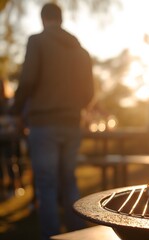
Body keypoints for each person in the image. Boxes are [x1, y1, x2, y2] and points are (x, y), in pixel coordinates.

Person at [10, 3, 94, 240]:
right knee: (69, 180)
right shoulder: (81, 51)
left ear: (43, 18)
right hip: (72, 123)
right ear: (61, 19)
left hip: (44, 122)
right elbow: (89, 93)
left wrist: (16, 110)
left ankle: (51, 236)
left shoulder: (37, 42)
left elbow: (27, 80)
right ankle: (77, 234)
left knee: (46, 183)